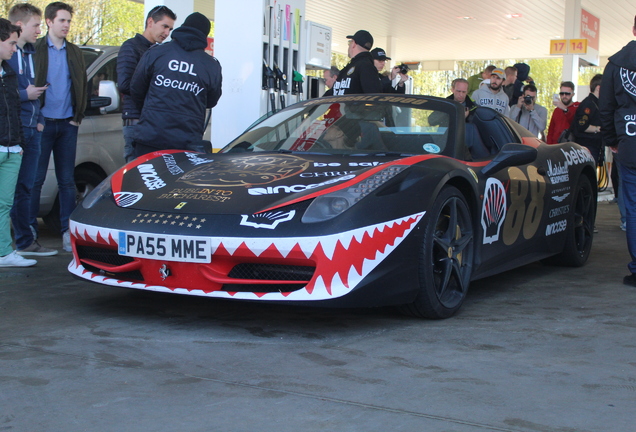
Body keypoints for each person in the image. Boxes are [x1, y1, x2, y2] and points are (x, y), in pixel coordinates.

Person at [32, 1, 87, 253]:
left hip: (67, 124)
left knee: (67, 181)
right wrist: (37, 119)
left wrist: (78, 116)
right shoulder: (36, 49)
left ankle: (67, 231)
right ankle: (29, 232)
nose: (66, 25)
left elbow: (83, 84)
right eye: (62, 20)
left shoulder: (74, 51)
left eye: (68, 21)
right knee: (35, 180)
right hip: (42, 125)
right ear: (49, 22)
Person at [130, 12, 222, 157]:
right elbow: (211, 101)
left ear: (183, 27)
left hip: (150, 137)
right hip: (187, 141)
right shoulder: (211, 65)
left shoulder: (157, 52)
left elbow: (136, 89)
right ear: (204, 36)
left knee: (144, 179)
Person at [8, 4, 56, 257]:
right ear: (19, 26)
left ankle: (26, 241)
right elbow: (10, 95)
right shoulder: (9, 55)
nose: (40, 30)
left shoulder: (29, 53)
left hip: (32, 129)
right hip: (15, 133)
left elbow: (32, 92)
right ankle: (18, 243)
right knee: (15, 190)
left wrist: (38, 120)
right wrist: (24, 96)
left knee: (27, 187)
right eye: (36, 25)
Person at [599, 18, 636, 286]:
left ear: (634, 29)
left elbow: (606, 107)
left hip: (630, 144)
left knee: (633, 210)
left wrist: (613, 140)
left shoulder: (615, 64)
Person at [117, 5, 176, 163]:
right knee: (136, 175)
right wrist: (156, 93)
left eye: (170, 29)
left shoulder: (160, 52)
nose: (167, 33)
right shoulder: (131, 47)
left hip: (155, 123)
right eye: (164, 26)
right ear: (150, 22)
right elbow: (124, 84)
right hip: (136, 121)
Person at [0, 18, 36, 267]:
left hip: (12, 148)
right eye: (12, 43)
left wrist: (20, 144)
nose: (15, 49)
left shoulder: (9, 74)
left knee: (4, 204)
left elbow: (14, 109)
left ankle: (4, 252)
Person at [332, 30, 381, 95]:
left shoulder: (365, 67)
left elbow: (373, 97)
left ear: (353, 44)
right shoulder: (356, 66)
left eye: (350, 42)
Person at [572, 74, 603, 165]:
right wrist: (599, 128)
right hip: (587, 146)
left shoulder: (596, 103)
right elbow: (582, 126)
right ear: (598, 88)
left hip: (594, 145)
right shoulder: (588, 104)